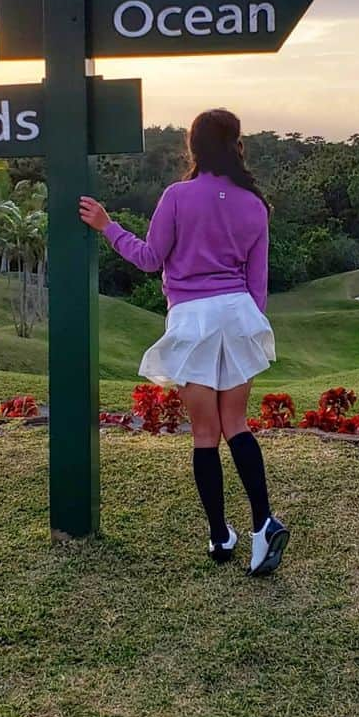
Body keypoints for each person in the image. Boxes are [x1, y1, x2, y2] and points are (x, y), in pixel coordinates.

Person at [79, 108, 289, 576]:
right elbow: (258, 283)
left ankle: (219, 537)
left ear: (192, 147)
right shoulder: (254, 203)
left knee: (204, 435)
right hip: (238, 314)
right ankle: (262, 524)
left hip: (193, 318)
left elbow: (151, 259)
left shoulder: (177, 196)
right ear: (236, 143)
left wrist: (107, 227)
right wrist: (250, 326)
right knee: (237, 424)